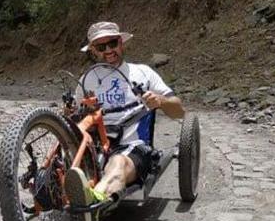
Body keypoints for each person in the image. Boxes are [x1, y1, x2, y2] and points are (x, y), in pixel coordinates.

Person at [64, 22, 185, 207]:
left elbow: (179, 111)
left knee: (118, 163)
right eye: (101, 47)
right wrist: (69, 113)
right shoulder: (86, 79)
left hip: (131, 145)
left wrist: (161, 101)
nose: (108, 50)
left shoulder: (143, 72)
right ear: (94, 51)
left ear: (121, 42)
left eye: (112, 43)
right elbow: (76, 115)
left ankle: (94, 198)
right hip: (95, 146)